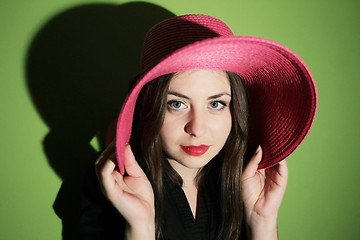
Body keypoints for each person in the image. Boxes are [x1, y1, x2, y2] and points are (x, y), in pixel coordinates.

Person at [87, 14, 317, 239]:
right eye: (177, 104)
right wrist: (140, 226)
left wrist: (262, 220)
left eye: (216, 104)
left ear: (235, 109)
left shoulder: (249, 183)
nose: (197, 128)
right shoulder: (107, 188)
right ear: (149, 107)